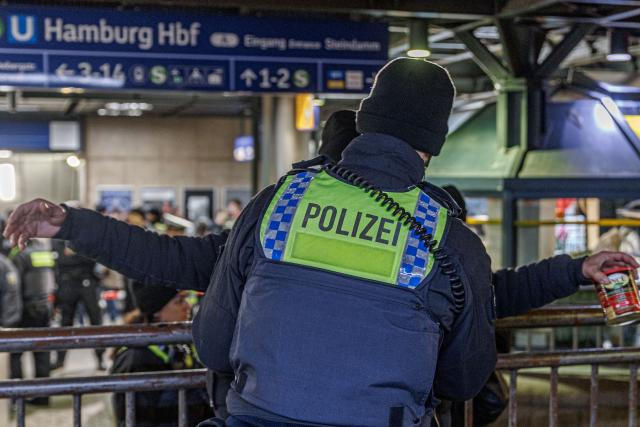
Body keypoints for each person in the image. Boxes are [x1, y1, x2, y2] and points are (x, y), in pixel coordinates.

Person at [3, 60, 637, 423]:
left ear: (365, 123)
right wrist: (575, 271)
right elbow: (465, 369)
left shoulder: (281, 202)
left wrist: (72, 224)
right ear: (433, 145)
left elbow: (207, 324)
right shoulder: (446, 234)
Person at [111, 283, 210, 427]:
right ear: (157, 312)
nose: (188, 306)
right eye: (179, 301)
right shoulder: (135, 360)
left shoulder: (179, 347)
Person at [9, 238, 56, 406]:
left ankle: (16, 396)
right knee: (42, 352)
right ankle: (43, 396)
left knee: (15, 352)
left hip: (26, 307)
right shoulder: (44, 252)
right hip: (45, 306)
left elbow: (13, 284)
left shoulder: (19, 254)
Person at [52, 241, 106, 371]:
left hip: (87, 283)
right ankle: (60, 360)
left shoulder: (82, 235)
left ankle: (100, 359)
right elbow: (61, 260)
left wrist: (74, 254)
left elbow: (92, 259)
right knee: (65, 323)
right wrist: (81, 253)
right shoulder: (58, 239)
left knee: (96, 322)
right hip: (68, 284)